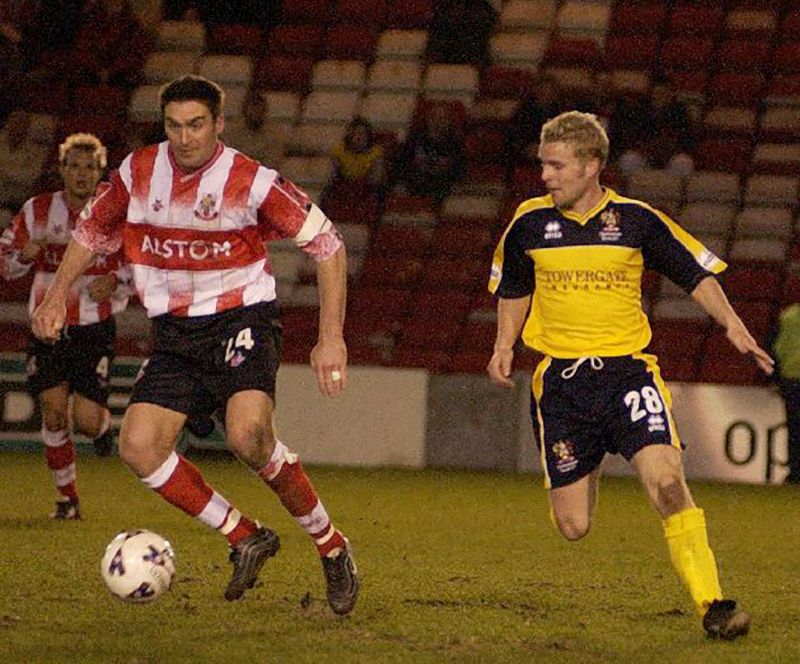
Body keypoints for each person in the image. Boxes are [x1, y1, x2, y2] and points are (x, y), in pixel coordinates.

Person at [31, 75, 359, 614]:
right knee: (137, 447)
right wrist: (56, 297)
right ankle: (244, 534)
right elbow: (91, 231)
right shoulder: (137, 173)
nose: (185, 138)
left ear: (219, 125)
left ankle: (331, 545)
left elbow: (327, 244)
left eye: (197, 125)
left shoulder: (250, 180)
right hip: (176, 334)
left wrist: (330, 338)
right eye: (174, 126)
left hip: (240, 319)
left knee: (249, 436)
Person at [486, 111, 774, 640]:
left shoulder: (637, 220)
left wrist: (734, 325)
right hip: (562, 387)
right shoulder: (528, 223)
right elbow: (514, 290)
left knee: (667, 482)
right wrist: (504, 344)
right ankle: (587, 459)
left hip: (628, 375)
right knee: (573, 527)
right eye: (543, 165)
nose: (545, 176)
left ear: (592, 166)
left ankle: (714, 602)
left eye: (556, 166)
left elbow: (694, 272)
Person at [0, 132, 130, 520]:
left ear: (101, 171)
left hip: (94, 327)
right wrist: (22, 257)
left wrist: (118, 282)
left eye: (90, 167)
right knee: (53, 412)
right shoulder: (37, 211)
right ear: (61, 169)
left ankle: (103, 428)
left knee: (86, 422)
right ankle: (67, 499)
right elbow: (5, 264)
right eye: (74, 166)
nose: (82, 174)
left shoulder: (115, 215)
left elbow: (140, 263)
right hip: (48, 326)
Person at [394, 101, 465, 202]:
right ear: (427, 119)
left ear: (449, 121)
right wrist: (401, 182)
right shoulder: (414, 138)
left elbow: (459, 169)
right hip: (415, 185)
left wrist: (455, 185)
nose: (437, 121)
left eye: (442, 118)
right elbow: (402, 163)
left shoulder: (455, 143)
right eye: (434, 117)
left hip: (442, 188)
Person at [767, 303, 800, 484]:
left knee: (794, 428)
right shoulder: (787, 316)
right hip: (792, 378)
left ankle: (795, 472)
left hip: (791, 379)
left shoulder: (788, 316)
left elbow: (774, 349)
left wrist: (776, 378)